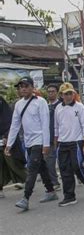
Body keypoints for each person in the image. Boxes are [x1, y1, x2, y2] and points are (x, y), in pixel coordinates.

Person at [5, 77, 58, 211]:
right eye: (21, 86)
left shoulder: (40, 102)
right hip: (28, 141)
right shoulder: (18, 104)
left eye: (26, 86)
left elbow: (45, 124)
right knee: (41, 167)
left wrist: (46, 144)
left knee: (32, 168)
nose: (23, 88)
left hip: (39, 140)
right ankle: (51, 191)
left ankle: (25, 198)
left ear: (32, 87)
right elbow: (15, 126)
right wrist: (9, 144)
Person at [54, 83, 84, 207]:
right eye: (65, 94)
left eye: (70, 93)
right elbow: (56, 126)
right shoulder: (58, 108)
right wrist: (56, 141)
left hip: (76, 142)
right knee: (64, 169)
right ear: (61, 95)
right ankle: (69, 196)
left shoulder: (79, 107)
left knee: (77, 166)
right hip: (62, 143)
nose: (68, 96)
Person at [0, 95, 27, 199]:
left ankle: (29, 180)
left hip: (8, 143)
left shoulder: (7, 114)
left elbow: (12, 125)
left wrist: (6, 137)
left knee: (14, 165)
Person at [46, 84, 61, 190]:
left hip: (62, 138)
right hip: (49, 139)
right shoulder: (45, 106)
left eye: (53, 91)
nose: (50, 93)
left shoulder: (61, 105)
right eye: (49, 91)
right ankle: (54, 182)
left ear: (57, 93)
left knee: (66, 163)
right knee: (49, 163)